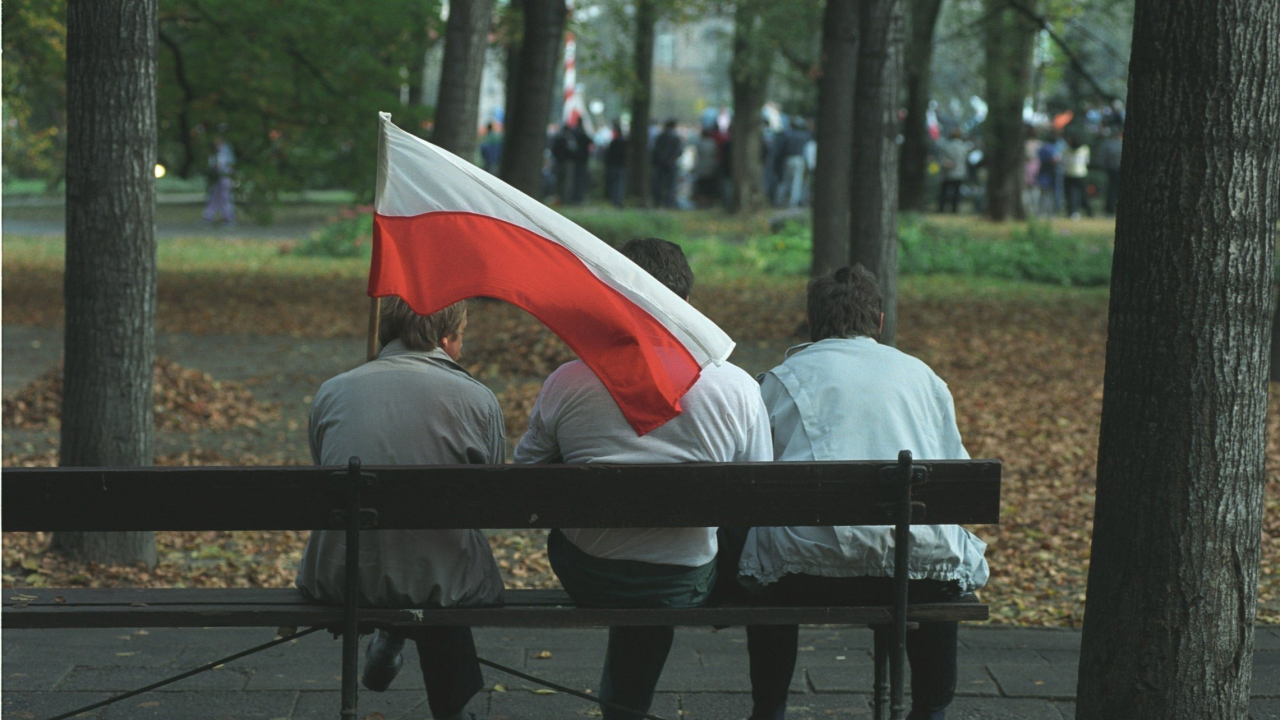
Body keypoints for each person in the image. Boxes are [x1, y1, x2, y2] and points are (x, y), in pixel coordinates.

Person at [514, 238, 772, 720]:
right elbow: (758, 492)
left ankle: (625, 706)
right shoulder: (735, 385)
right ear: (687, 305)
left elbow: (525, 475)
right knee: (683, 553)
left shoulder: (569, 381)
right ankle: (626, 705)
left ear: (616, 299)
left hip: (589, 574)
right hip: (686, 579)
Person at [721, 265, 989, 720]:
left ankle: (769, 707)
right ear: (879, 321)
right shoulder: (924, 378)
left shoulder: (777, 382)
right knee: (929, 555)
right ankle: (931, 707)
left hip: (802, 575)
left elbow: (749, 482)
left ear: (812, 320)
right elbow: (955, 472)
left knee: (765, 557)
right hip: (914, 577)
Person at [295, 297, 505, 720]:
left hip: (341, 575)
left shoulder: (333, 391)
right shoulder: (476, 398)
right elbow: (492, 496)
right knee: (440, 565)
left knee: (418, 557)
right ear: (446, 339)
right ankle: (452, 710)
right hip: (441, 579)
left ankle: (393, 635)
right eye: (461, 337)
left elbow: (328, 472)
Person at [203, 135, 236, 226]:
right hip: (216, 177)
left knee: (225, 197)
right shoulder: (214, 151)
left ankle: (228, 217)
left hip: (224, 177)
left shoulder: (225, 151)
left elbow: (227, 164)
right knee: (213, 196)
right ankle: (209, 216)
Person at [936, 129, 970, 214]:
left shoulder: (946, 145)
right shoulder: (963, 146)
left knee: (944, 191)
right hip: (960, 172)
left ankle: (941, 209)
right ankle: (955, 210)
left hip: (947, 172)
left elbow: (942, 159)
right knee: (956, 192)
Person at [651, 120, 682, 208]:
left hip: (659, 163)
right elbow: (679, 151)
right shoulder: (676, 137)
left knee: (658, 183)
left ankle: (657, 201)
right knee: (671, 185)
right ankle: (669, 202)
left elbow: (656, 150)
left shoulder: (660, 137)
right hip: (671, 163)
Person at [1062, 135, 1092, 219]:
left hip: (1068, 174)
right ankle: (1089, 211)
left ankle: (1072, 212)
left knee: (1070, 195)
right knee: (1084, 194)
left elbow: (1064, 161)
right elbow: (1087, 161)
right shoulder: (1085, 149)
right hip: (1081, 173)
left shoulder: (1066, 149)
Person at [1099, 126, 1123, 216]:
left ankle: (1110, 208)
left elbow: (1102, 158)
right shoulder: (1120, 144)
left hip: (1111, 169)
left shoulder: (1108, 144)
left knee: (1111, 189)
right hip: (1118, 168)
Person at [604, 121, 628, 208]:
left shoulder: (614, 143)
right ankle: (618, 201)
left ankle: (614, 200)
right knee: (619, 184)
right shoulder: (624, 143)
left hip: (613, 165)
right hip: (620, 165)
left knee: (614, 184)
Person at [571, 119, 594, 204]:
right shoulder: (582, 133)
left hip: (575, 159)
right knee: (580, 180)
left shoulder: (574, 133)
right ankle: (578, 198)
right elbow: (591, 141)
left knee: (575, 180)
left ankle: (574, 198)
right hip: (582, 160)